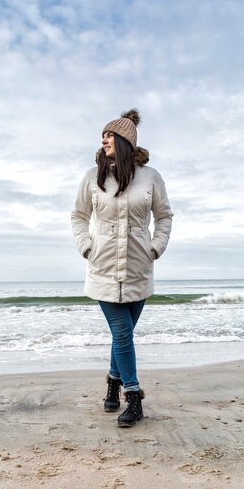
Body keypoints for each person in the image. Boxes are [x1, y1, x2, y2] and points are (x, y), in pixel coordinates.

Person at [71, 109, 173, 427]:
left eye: (110, 134)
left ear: (126, 141)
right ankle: (133, 396)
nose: (104, 139)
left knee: (123, 335)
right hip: (102, 268)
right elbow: (78, 215)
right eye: (103, 135)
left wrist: (155, 248)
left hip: (138, 269)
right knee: (122, 333)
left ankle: (113, 383)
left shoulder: (150, 177)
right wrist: (86, 247)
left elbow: (165, 216)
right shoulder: (92, 176)